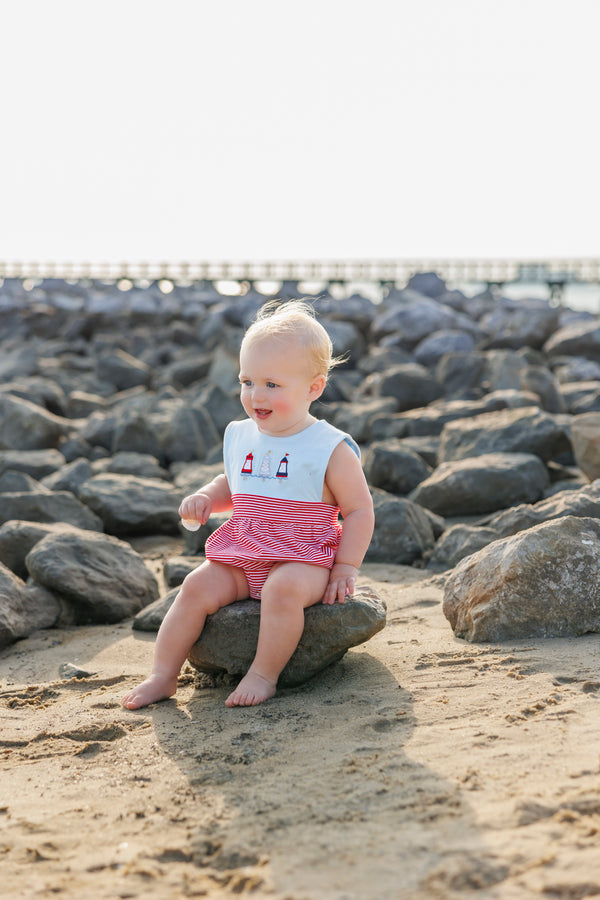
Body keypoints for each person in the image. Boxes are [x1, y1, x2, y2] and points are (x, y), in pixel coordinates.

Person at [122, 299, 374, 710]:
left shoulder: (328, 447)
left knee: (282, 590)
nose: (256, 395)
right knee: (194, 586)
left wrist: (345, 567)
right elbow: (234, 484)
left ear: (314, 387)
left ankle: (263, 674)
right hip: (245, 549)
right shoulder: (242, 435)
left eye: (272, 385)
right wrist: (206, 497)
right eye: (247, 381)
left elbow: (360, 510)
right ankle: (163, 676)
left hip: (304, 555)